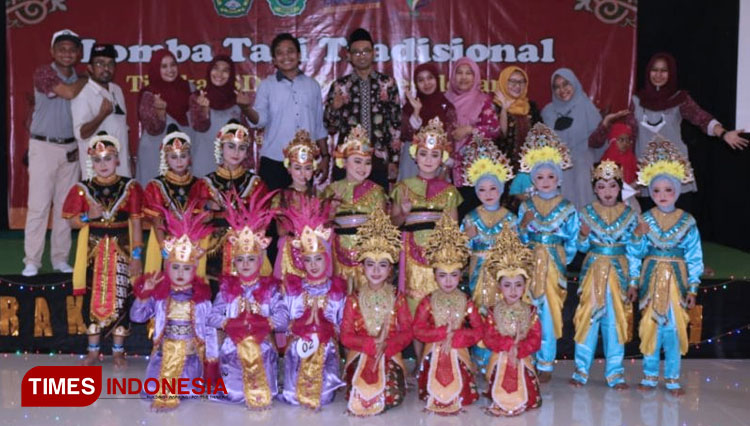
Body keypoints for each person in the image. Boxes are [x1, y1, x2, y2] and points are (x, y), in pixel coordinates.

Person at [589, 52, 748, 204]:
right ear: (648, 72)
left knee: (676, 224)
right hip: (647, 176)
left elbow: (702, 119)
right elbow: (630, 136)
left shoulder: (679, 99)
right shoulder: (637, 101)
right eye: (654, 70)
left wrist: (723, 134)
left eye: (663, 70)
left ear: (670, 73)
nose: (658, 75)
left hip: (675, 175)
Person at [62, 131, 143, 367]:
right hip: (93, 253)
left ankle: (118, 351)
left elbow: (136, 222)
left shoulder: (130, 187)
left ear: (117, 159)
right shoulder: (82, 188)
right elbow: (70, 220)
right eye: (97, 160)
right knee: (91, 299)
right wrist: (88, 216)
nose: (103, 164)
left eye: (108, 158)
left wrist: (137, 255)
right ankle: (93, 350)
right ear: (91, 162)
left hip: (122, 250)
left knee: (121, 299)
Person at [630, 140, 703, 396]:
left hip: (677, 281)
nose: (662, 195)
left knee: (674, 328)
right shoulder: (645, 219)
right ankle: (650, 375)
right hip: (651, 279)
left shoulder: (687, 221)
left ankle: (672, 377)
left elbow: (694, 256)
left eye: (668, 190)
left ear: (677, 190)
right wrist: (638, 237)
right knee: (650, 326)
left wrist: (693, 287)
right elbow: (634, 253)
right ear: (650, 191)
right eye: (657, 190)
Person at [130, 206, 217, 412]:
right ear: (168, 268)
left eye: (186, 268)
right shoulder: (161, 296)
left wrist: (212, 362)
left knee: (189, 399)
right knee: (156, 389)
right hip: (163, 356)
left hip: (190, 358)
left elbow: (211, 331)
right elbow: (137, 317)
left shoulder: (202, 300)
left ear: (194, 270)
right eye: (175, 267)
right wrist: (144, 295)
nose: (180, 272)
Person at [207, 190, 287, 410]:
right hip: (233, 349)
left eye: (251, 259)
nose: (245, 264)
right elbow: (212, 316)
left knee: (263, 389)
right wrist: (226, 323)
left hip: (263, 349)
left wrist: (267, 322)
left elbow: (284, 318)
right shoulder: (226, 289)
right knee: (234, 395)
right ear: (234, 262)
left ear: (260, 260)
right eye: (240, 259)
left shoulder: (270, 288)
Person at [516, 123, 579, 382]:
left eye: (550, 177)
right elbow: (520, 238)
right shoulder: (527, 206)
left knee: (551, 312)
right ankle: (527, 357)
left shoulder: (566, 207)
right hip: (530, 263)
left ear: (558, 178)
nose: (545, 182)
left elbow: (573, 240)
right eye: (539, 177)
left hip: (554, 264)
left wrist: (562, 261)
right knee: (528, 309)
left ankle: (546, 362)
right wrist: (523, 224)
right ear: (533, 179)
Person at [22, 29, 88, 277]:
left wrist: (84, 79)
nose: (67, 53)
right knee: (38, 207)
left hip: (71, 147)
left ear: (78, 53)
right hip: (44, 146)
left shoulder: (80, 78)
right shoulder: (44, 72)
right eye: (62, 49)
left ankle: (60, 259)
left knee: (65, 208)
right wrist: (86, 78)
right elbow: (69, 92)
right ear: (53, 51)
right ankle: (32, 261)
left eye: (72, 49)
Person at [570, 160, 639, 389]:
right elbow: (579, 247)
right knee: (588, 320)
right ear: (594, 189)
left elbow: (634, 252)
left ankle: (615, 373)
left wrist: (633, 282)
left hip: (619, 273)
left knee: (615, 322)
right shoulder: (587, 213)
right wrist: (582, 235)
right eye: (601, 186)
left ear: (620, 187)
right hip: (594, 270)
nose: (607, 192)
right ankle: (580, 371)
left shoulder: (630, 215)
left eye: (612, 186)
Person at [340, 209, 413, 416]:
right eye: (370, 264)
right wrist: (370, 345)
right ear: (362, 267)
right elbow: (345, 336)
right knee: (357, 390)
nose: (376, 270)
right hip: (362, 353)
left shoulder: (397, 297)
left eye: (383, 265)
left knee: (391, 393)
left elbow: (408, 331)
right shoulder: (353, 299)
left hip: (389, 352)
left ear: (390, 269)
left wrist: (388, 345)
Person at [278, 197, 346, 409]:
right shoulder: (292, 289)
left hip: (326, 351)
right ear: (302, 261)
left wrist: (326, 331)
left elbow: (343, 325)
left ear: (326, 258)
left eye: (318, 259)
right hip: (297, 350)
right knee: (292, 397)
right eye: (308, 260)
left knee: (323, 397)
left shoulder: (336, 291)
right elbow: (282, 321)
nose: (313, 265)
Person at [390, 117, 462, 317]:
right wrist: (404, 213)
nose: (428, 160)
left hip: (438, 258)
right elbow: (393, 224)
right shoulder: (403, 187)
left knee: (437, 309)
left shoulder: (449, 191)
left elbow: (453, 230)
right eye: (424, 154)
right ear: (415, 156)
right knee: (413, 306)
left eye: (434, 155)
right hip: (410, 253)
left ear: (442, 158)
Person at [414, 214, 482, 415]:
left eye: (453, 275)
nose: (448, 281)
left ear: (461, 275)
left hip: (458, 350)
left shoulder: (466, 301)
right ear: (434, 276)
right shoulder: (428, 300)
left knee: (464, 393)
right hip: (433, 350)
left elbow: (479, 330)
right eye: (442, 275)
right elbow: (417, 329)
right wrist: (442, 334)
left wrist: (457, 337)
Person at [459, 139, 517, 374]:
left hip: (503, 274)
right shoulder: (471, 217)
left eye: (493, 188)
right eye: (482, 189)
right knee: (481, 311)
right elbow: (461, 251)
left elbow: (518, 250)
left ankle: (500, 355)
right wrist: (467, 238)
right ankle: (481, 360)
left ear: (501, 189)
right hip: (478, 272)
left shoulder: (510, 218)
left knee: (501, 311)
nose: (488, 194)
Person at [245, 33, 329, 190]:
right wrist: (245, 108)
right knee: (272, 212)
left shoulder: (312, 85)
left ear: (298, 55)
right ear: (274, 60)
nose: (286, 56)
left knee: (302, 212)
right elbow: (260, 121)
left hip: (304, 162)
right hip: (274, 161)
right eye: (280, 53)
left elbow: (319, 126)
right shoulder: (267, 86)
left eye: (290, 51)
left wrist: (325, 156)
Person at [324, 28, 401, 189]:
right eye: (357, 52)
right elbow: (330, 127)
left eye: (366, 51)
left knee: (377, 209)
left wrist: (394, 160)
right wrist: (334, 108)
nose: (362, 55)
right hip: (347, 159)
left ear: (373, 53)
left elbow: (395, 124)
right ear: (349, 56)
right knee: (343, 207)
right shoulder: (340, 86)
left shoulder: (387, 83)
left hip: (378, 158)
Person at [194, 119, 268, 278]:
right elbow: (194, 219)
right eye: (231, 146)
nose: (236, 153)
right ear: (220, 147)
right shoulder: (205, 184)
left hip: (246, 247)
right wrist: (206, 207)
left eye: (242, 148)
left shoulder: (256, 183)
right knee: (215, 288)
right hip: (213, 247)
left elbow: (264, 220)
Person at [482, 226, 542, 417]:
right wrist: (509, 346)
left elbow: (536, 338)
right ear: (499, 287)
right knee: (498, 373)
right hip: (500, 356)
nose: (513, 290)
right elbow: (489, 337)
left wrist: (520, 349)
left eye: (518, 285)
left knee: (527, 386)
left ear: (525, 286)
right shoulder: (493, 311)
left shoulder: (531, 311)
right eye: (507, 285)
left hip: (522, 357)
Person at [321, 125, 387, 293]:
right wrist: (331, 211)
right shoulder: (331, 190)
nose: (362, 167)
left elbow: (381, 230)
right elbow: (322, 228)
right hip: (338, 255)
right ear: (343, 162)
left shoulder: (377, 191)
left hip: (368, 260)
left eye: (367, 162)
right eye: (357, 161)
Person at [142, 124, 209, 275]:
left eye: (183, 156)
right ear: (165, 158)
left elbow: (203, 219)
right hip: (166, 243)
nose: (179, 161)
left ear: (189, 158)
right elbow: (156, 221)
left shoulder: (199, 184)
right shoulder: (156, 186)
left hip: (193, 243)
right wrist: (163, 248)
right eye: (173, 157)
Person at [444, 57, 501, 216]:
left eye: (468, 73)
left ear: (475, 76)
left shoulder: (483, 101)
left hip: (474, 169)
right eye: (459, 73)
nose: (463, 77)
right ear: (453, 76)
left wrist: (469, 129)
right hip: (445, 170)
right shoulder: (445, 100)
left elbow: (494, 129)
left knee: (473, 217)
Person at [541, 68, 602, 210]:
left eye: (566, 84)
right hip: (558, 166)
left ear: (574, 83)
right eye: (557, 87)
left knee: (584, 195)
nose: (562, 89)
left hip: (583, 164)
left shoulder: (587, 106)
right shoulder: (548, 112)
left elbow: (599, 142)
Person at [71, 43, 131, 177]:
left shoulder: (117, 90)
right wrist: (101, 116)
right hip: (97, 174)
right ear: (90, 68)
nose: (106, 68)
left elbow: (123, 129)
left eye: (110, 64)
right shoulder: (83, 93)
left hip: (122, 170)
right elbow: (81, 134)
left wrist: (129, 159)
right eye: (100, 64)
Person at [136, 50, 193, 186]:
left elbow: (198, 123)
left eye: (172, 65)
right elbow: (152, 129)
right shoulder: (149, 93)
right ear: (156, 69)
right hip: (154, 153)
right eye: (164, 66)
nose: (170, 70)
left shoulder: (188, 88)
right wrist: (160, 112)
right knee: (155, 195)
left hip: (181, 153)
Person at [272, 129, 322, 284]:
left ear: (313, 169)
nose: (302, 174)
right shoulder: (281, 197)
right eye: (297, 168)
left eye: (307, 168)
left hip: (314, 252)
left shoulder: (319, 195)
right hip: (289, 250)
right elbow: (281, 230)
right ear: (289, 168)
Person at [190, 55, 248, 177]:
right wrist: (204, 110)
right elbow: (198, 127)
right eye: (216, 68)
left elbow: (244, 135)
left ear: (231, 74)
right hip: (203, 163)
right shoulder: (198, 97)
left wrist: (245, 107)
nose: (219, 74)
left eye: (225, 70)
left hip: (231, 166)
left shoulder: (237, 99)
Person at [398, 63, 457, 181]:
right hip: (412, 163)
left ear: (436, 79)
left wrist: (445, 169)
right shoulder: (410, 107)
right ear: (416, 84)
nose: (426, 83)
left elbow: (450, 141)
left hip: (438, 162)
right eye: (421, 80)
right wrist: (416, 111)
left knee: (436, 197)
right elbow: (406, 135)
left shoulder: (447, 107)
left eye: (430, 78)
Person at [492, 66, 543, 202]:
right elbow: (500, 135)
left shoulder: (531, 107)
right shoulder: (493, 107)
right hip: (503, 172)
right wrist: (504, 109)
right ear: (503, 82)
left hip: (529, 171)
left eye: (521, 82)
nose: (517, 86)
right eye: (512, 81)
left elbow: (540, 137)